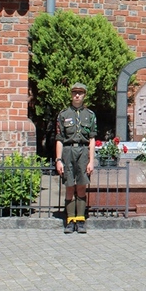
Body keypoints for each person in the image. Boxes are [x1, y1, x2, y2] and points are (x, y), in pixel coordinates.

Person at [55, 83, 97, 234]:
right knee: (69, 186)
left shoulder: (90, 115)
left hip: (83, 152)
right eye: (74, 93)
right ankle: (70, 220)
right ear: (71, 95)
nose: (77, 95)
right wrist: (58, 160)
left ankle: (80, 220)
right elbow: (59, 138)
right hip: (67, 151)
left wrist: (91, 161)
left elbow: (92, 139)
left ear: (85, 95)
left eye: (80, 93)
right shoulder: (63, 115)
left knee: (81, 186)